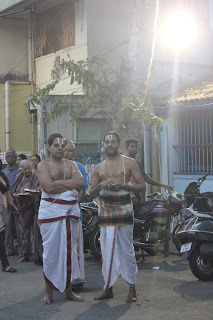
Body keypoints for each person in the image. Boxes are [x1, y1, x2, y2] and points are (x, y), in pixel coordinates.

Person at [90, 132, 146, 303]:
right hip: (106, 211)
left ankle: (132, 288)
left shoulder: (130, 162)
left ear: (118, 144)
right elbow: (91, 193)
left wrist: (122, 186)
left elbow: (142, 185)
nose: (110, 144)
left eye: (113, 141)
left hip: (124, 209)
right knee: (106, 250)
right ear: (103, 144)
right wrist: (100, 185)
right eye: (107, 142)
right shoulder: (98, 167)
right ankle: (108, 288)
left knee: (126, 249)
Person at [37, 133, 84, 304]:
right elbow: (47, 186)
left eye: (62, 145)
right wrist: (67, 184)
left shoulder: (71, 164)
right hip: (50, 212)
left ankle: (68, 291)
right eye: (56, 145)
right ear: (49, 147)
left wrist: (57, 185)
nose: (60, 148)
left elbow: (79, 182)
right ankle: (48, 293)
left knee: (69, 253)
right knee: (50, 253)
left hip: (69, 212)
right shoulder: (43, 165)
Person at [64, 140, 88, 291]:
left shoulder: (79, 167)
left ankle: (76, 279)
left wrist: (74, 203)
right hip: (57, 213)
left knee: (76, 245)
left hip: (74, 212)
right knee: (61, 246)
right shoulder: (53, 167)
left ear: (74, 152)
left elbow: (84, 189)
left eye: (70, 150)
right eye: (65, 150)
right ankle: (61, 280)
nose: (67, 153)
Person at [13, 160, 40, 262]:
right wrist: (15, 195)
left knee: (33, 231)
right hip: (21, 208)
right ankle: (25, 253)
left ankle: (33, 253)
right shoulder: (18, 177)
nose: (28, 170)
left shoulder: (35, 176)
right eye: (25, 169)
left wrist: (33, 192)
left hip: (32, 207)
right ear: (21, 170)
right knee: (23, 231)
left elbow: (39, 188)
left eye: (29, 168)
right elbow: (14, 190)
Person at [2, 149, 22, 256]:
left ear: (15, 157)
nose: (10, 158)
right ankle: (8, 249)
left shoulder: (20, 171)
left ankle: (21, 250)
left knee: (19, 228)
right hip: (6, 202)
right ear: (5, 159)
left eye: (11, 156)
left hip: (18, 202)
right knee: (8, 227)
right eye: (7, 156)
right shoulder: (3, 172)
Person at [0, 159, 17, 272]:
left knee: (2, 238)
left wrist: (13, 206)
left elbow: (6, 192)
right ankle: (5, 264)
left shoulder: (1, 175)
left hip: (2, 209)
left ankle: (5, 264)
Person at [31, 154, 42, 265]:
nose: (33, 162)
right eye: (32, 160)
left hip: (43, 205)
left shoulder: (42, 173)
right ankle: (37, 256)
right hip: (34, 206)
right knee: (35, 233)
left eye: (36, 160)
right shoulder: (29, 174)